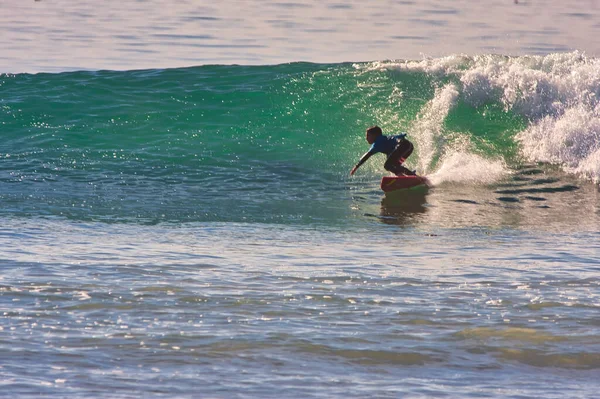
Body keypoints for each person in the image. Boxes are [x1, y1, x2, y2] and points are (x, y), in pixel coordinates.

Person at [350, 125, 416, 176]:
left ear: (374, 135)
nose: (366, 138)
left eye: (368, 135)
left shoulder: (377, 143)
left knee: (387, 165)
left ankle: (404, 176)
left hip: (402, 145)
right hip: (409, 146)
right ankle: (412, 176)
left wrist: (356, 166)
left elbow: (367, 155)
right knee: (395, 165)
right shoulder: (384, 139)